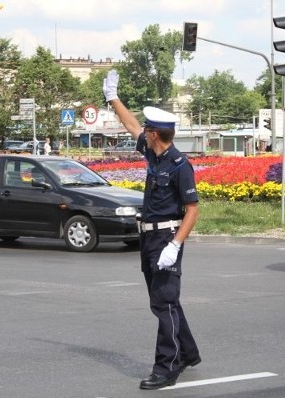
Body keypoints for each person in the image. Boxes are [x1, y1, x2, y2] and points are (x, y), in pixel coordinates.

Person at [103, 70, 201, 390]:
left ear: (155, 134)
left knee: (164, 302)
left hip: (166, 238)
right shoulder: (152, 153)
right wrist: (112, 98)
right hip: (148, 235)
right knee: (164, 300)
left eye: (147, 129)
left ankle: (167, 366)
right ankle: (187, 352)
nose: (141, 132)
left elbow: (192, 210)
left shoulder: (178, 165)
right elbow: (131, 123)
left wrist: (174, 245)